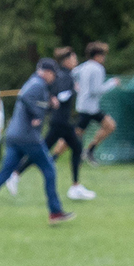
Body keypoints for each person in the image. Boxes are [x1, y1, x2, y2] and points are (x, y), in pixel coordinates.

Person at [0, 58, 73, 227]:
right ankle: (55, 212)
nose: (53, 78)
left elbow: (33, 100)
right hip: (28, 137)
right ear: (47, 72)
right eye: (53, 74)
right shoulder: (38, 84)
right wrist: (36, 115)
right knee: (49, 169)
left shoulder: (33, 82)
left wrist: (48, 104)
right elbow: (25, 97)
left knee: (4, 173)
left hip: (14, 135)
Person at [41, 47, 94, 201]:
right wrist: (73, 90)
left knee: (76, 148)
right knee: (41, 150)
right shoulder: (65, 76)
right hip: (60, 121)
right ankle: (16, 172)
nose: (75, 61)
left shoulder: (63, 74)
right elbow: (61, 96)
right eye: (73, 58)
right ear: (66, 60)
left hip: (61, 121)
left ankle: (75, 186)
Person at [74, 41, 119, 163]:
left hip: (88, 107)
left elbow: (72, 74)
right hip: (88, 108)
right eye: (103, 55)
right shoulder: (98, 69)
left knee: (110, 125)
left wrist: (76, 86)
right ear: (97, 56)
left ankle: (89, 151)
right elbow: (96, 90)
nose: (104, 58)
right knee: (74, 135)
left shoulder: (83, 66)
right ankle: (54, 157)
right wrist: (112, 83)